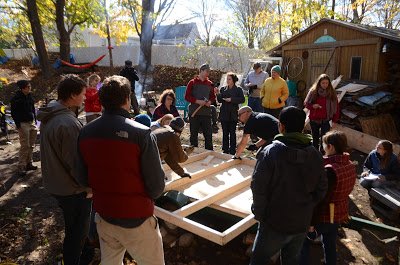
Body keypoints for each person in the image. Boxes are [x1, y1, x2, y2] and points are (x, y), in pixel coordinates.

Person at [76, 75, 165, 265]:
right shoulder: (141, 133)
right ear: (127, 99)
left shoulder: (85, 132)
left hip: (104, 217)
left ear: (101, 100)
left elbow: (82, 178)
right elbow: (157, 187)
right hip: (137, 219)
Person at [250, 106, 327, 265]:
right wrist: (307, 206)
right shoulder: (315, 154)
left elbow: (258, 187)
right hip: (301, 222)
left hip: (273, 223)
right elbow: (321, 189)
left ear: (281, 126)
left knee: (259, 261)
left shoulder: (271, 152)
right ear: (302, 127)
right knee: (291, 260)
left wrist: (260, 214)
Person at [37, 74, 93, 265]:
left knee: (76, 226)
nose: (85, 97)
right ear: (72, 95)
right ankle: (73, 261)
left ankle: (86, 255)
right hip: (72, 189)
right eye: (83, 94)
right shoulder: (67, 123)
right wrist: (88, 187)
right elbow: (76, 163)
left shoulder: (50, 115)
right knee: (76, 232)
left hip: (56, 182)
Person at [300, 130, 356, 265]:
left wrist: (311, 224)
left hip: (324, 215)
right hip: (338, 213)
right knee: (329, 243)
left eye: (324, 145)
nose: (323, 148)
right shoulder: (350, 164)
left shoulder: (330, 170)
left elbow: (319, 199)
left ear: (330, 146)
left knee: (302, 242)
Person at [304, 74, 340, 151]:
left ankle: (323, 156)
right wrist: (313, 106)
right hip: (314, 119)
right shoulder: (313, 92)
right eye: (323, 83)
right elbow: (306, 104)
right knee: (315, 139)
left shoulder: (331, 93)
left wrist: (334, 120)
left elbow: (336, 107)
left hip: (326, 119)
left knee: (325, 140)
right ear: (319, 83)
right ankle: (314, 154)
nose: (325, 85)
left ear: (329, 83)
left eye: (327, 83)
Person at [185, 63, 216, 150]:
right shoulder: (192, 82)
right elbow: (187, 96)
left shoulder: (210, 84)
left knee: (208, 136)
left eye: (209, 71)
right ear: (201, 71)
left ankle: (209, 153)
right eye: (207, 71)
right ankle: (193, 154)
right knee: (194, 135)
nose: (208, 73)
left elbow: (213, 97)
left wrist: (209, 102)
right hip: (194, 113)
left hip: (206, 113)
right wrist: (198, 101)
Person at [10, 80, 38, 176]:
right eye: (28, 87)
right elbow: (13, 113)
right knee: (25, 145)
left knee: (31, 144)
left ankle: (29, 163)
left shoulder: (29, 96)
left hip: (31, 122)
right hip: (22, 124)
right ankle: (21, 166)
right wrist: (18, 125)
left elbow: (32, 108)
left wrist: (34, 119)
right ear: (23, 88)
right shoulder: (16, 99)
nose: (30, 88)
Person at [216, 73, 245, 155]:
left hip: (233, 114)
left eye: (229, 79)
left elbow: (242, 99)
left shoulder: (238, 89)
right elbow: (220, 100)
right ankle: (225, 149)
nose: (227, 81)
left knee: (232, 132)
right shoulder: (223, 89)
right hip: (224, 113)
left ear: (233, 80)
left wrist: (231, 99)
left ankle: (232, 150)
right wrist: (218, 93)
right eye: (227, 79)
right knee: (225, 132)